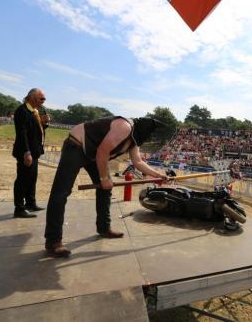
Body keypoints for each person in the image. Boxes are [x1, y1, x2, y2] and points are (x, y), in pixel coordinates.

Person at [44, 116, 169, 257]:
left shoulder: (135, 138)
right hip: (76, 146)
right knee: (61, 193)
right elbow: (102, 152)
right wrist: (104, 178)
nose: (150, 138)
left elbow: (138, 162)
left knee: (106, 189)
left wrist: (157, 175)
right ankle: (53, 241)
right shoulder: (125, 127)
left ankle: (104, 228)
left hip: (93, 154)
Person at [12, 88, 49, 218]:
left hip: (34, 152)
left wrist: (43, 123)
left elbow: (36, 130)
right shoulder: (22, 111)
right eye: (42, 99)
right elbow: (22, 134)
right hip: (26, 152)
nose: (43, 101)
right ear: (32, 98)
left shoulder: (35, 111)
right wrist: (26, 152)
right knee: (22, 179)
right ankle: (19, 208)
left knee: (31, 179)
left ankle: (30, 203)